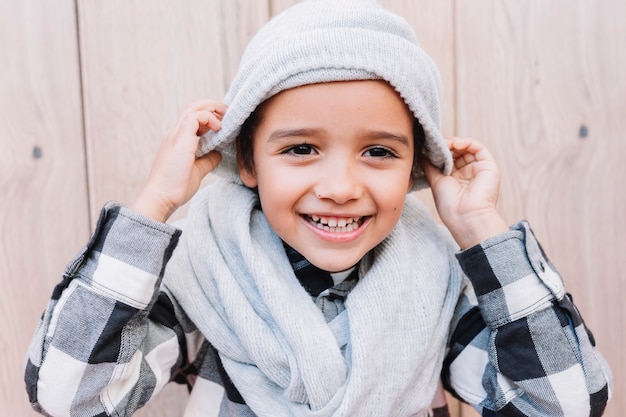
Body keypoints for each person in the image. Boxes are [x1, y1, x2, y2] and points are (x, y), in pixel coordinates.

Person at [24, 1, 612, 416]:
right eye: (301, 149)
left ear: (414, 171)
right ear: (247, 162)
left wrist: (481, 228)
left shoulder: (435, 287)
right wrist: (155, 204)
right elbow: (72, 395)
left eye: (378, 152)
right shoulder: (210, 278)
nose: (339, 186)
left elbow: (561, 404)